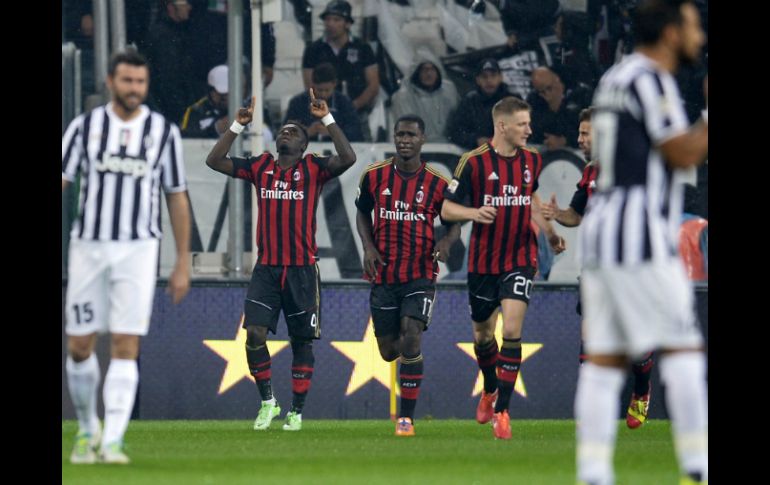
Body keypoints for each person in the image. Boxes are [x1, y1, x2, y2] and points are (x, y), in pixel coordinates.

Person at [573, 1, 708, 483]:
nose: (700, 35)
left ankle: (592, 470)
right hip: (639, 231)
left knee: (605, 358)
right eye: (693, 25)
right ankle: (698, 465)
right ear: (671, 32)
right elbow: (680, 150)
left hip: (604, 227)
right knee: (684, 349)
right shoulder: (651, 79)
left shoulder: (616, 75)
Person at [62, 50, 191, 464]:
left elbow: (177, 196)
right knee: (79, 345)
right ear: (110, 81)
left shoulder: (162, 132)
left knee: (125, 342)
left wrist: (182, 260)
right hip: (89, 246)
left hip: (138, 248)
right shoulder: (84, 129)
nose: (134, 89)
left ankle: (112, 439)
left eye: (140, 82)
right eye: (127, 81)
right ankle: (87, 429)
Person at [205, 90, 357, 432]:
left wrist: (327, 119)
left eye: (294, 132)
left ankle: (297, 411)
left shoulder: (315, 168)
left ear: (303, 146)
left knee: (301, 342)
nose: (286, 133)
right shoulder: (261, 166)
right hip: (267, 269)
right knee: (255, 334)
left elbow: (348, 157)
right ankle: (268, 403)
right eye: (284, 130)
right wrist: (237, 126)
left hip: (303, 269)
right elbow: (214, 161)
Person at [441, 96, 566, 440]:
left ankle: (503, 412)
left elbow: (531, 200)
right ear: (502, 126)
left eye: (529, 123)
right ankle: (490, 388)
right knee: (483, 335)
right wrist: (473, 213)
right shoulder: (473, 162)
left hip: (520, 257)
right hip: (483, 263)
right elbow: (446, 209)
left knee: (511, 329)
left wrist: (552, 234)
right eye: (523, 124)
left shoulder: (532, 161)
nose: (530, 129)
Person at [541, 107, 656, 430]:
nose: (580, 139)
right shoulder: (591, 172)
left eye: (585, 133)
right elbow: (577, 215)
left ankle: (642, 389)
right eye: (579, 133)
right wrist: (557, 213)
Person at [355, 115, 461, 436]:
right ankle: (409, 364)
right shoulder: (373, 176)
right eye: (399, 134)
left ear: (422, 139)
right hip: (384, 276)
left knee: (412, 335)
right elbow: (362, 212)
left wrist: (446, 240)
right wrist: (368, 247)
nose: (404, 140)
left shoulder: (437, 182)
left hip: (420, 274)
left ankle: (406, 419)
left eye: (411, 135)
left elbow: (455, 219)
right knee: (390, 351)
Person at [302, 0, 379, 139]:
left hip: (357, 114)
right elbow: (309, 84)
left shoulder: (363, 48)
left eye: (336, 19)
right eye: (328, 19)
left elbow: (373, 85)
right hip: (321, 114)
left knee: (362, 152)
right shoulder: (314, 49)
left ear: (348, 23)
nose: (331, 24)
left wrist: (350, 107)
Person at [284, 63, 363, 142]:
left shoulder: (344, 103)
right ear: (313, 85)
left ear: (334, 84)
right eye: (320, 90)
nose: (323, 94)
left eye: (327, 90)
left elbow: (356, 133)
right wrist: (307, 133)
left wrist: (333, 132)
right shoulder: (298, 103)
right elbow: (285, 134)